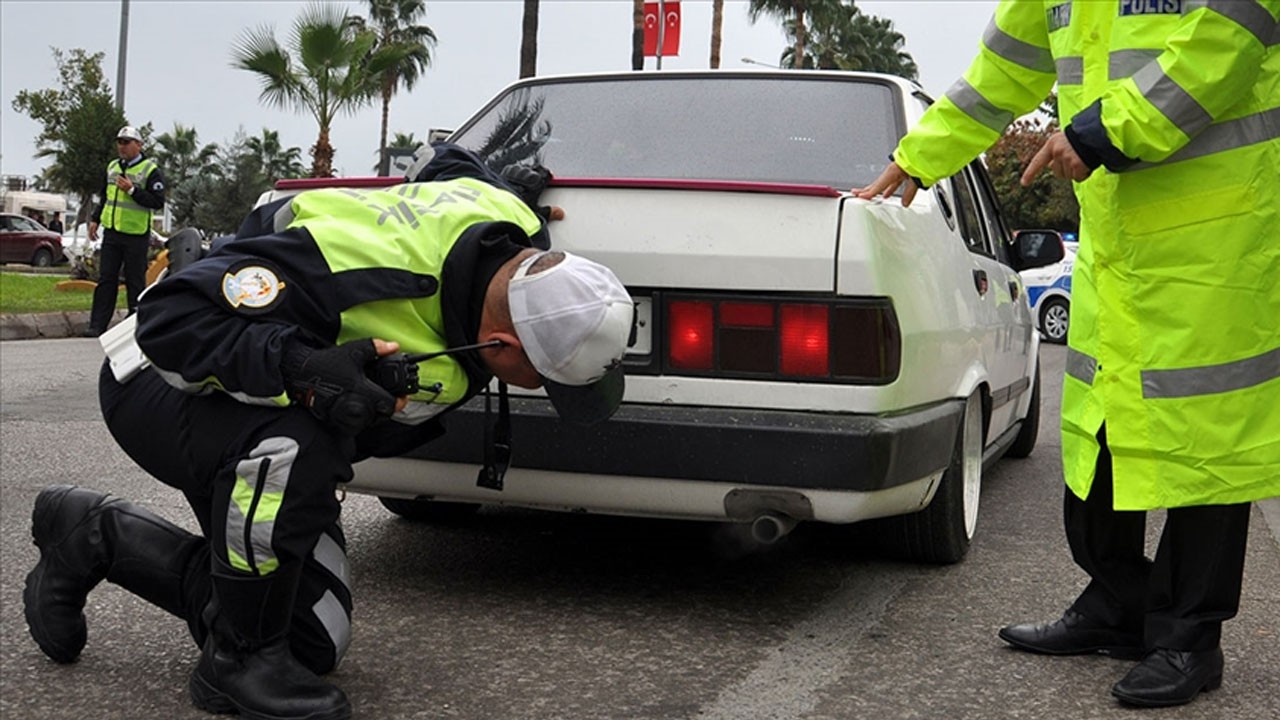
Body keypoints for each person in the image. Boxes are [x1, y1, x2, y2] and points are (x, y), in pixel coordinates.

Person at [24, 144, 634, 720]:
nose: (540, 390)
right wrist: (303, 368)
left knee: (312, 640)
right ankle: (236, 660)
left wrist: (518, 188)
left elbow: (453, 162)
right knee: (294, 445)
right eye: (542, 377)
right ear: (500, 344)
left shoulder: (511, 225)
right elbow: (169, 319)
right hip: (160, 379)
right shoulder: (348, 267)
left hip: (256, 408)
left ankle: (94, 534)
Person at [856, 1, 1278, 709]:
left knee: (1205, 436)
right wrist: (920, 155)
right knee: (1100, 424)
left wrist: (1106, 129)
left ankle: (1188, 639)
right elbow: (999, 73)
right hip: (1115, 237)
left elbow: (1225, 46)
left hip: (1215, 236)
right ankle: (1118, 602)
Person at [83, 125, 166, 338]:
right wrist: (95, 219)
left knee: (134, 280)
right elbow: (105, 196)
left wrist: (132, 190)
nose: (122, 146)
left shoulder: (149, 170)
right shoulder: (112, 167)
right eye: (120, 142)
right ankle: (97, 325)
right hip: (112, 232)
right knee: (106, 279)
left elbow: (157, 202)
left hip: (135, 234)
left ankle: (134, 325)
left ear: (138, 145)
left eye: (127, 142)